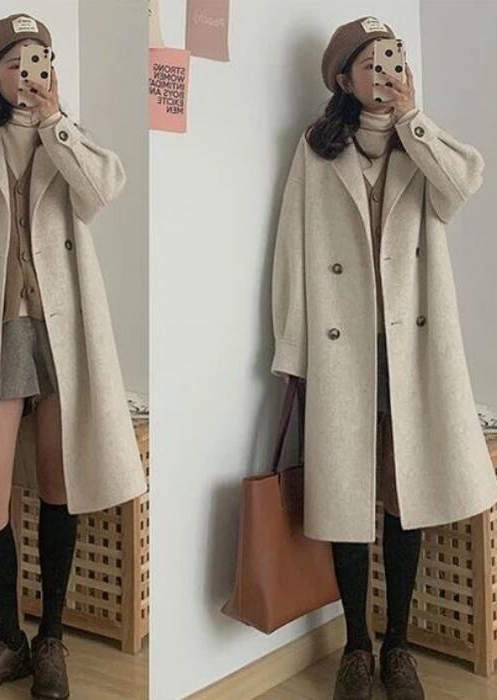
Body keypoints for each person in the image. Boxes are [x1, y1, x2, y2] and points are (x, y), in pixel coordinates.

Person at [0, 13, 147, 700]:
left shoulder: (66, 136)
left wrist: (55, 125)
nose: (30, 74)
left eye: (41, 61)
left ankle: (51, 641)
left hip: (65, 329)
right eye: (16, 63)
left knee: (59, 485)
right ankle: (8, 640)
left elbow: (103, 192)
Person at [270, 16, 497, 700]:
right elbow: (291, 249)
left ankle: (398, 645)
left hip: (411, 349)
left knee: (405, 496)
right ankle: (355, 647)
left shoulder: (419, 144)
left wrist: (414, 119)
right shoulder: (317, 147)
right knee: (345, 498)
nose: (384, 73)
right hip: (340, 350)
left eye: (392, 59)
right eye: (369, 63)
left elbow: (463, 186)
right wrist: (293, 349)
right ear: (343, 80)